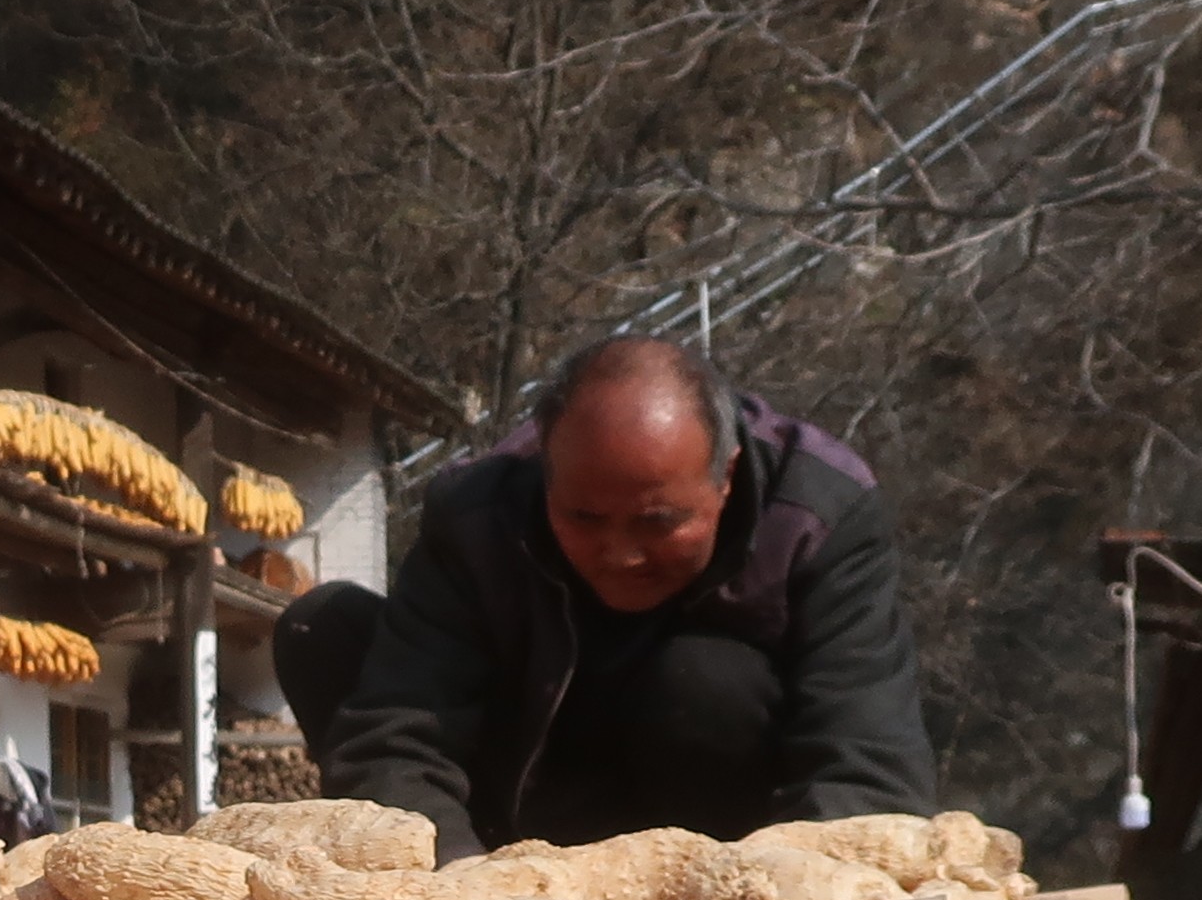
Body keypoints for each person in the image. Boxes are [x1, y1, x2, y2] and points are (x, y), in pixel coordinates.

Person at [278, 337, 933, 856]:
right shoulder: (477, 515)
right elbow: (395, 739)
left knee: (707, 680)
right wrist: (462, 888)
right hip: (525, 808)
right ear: (546, 475)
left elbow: (870, 776)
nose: (620, 555)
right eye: (584, 518)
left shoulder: (819, 513)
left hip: (718, 828)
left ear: (727, 476)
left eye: (659, 521)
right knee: (323, 628)